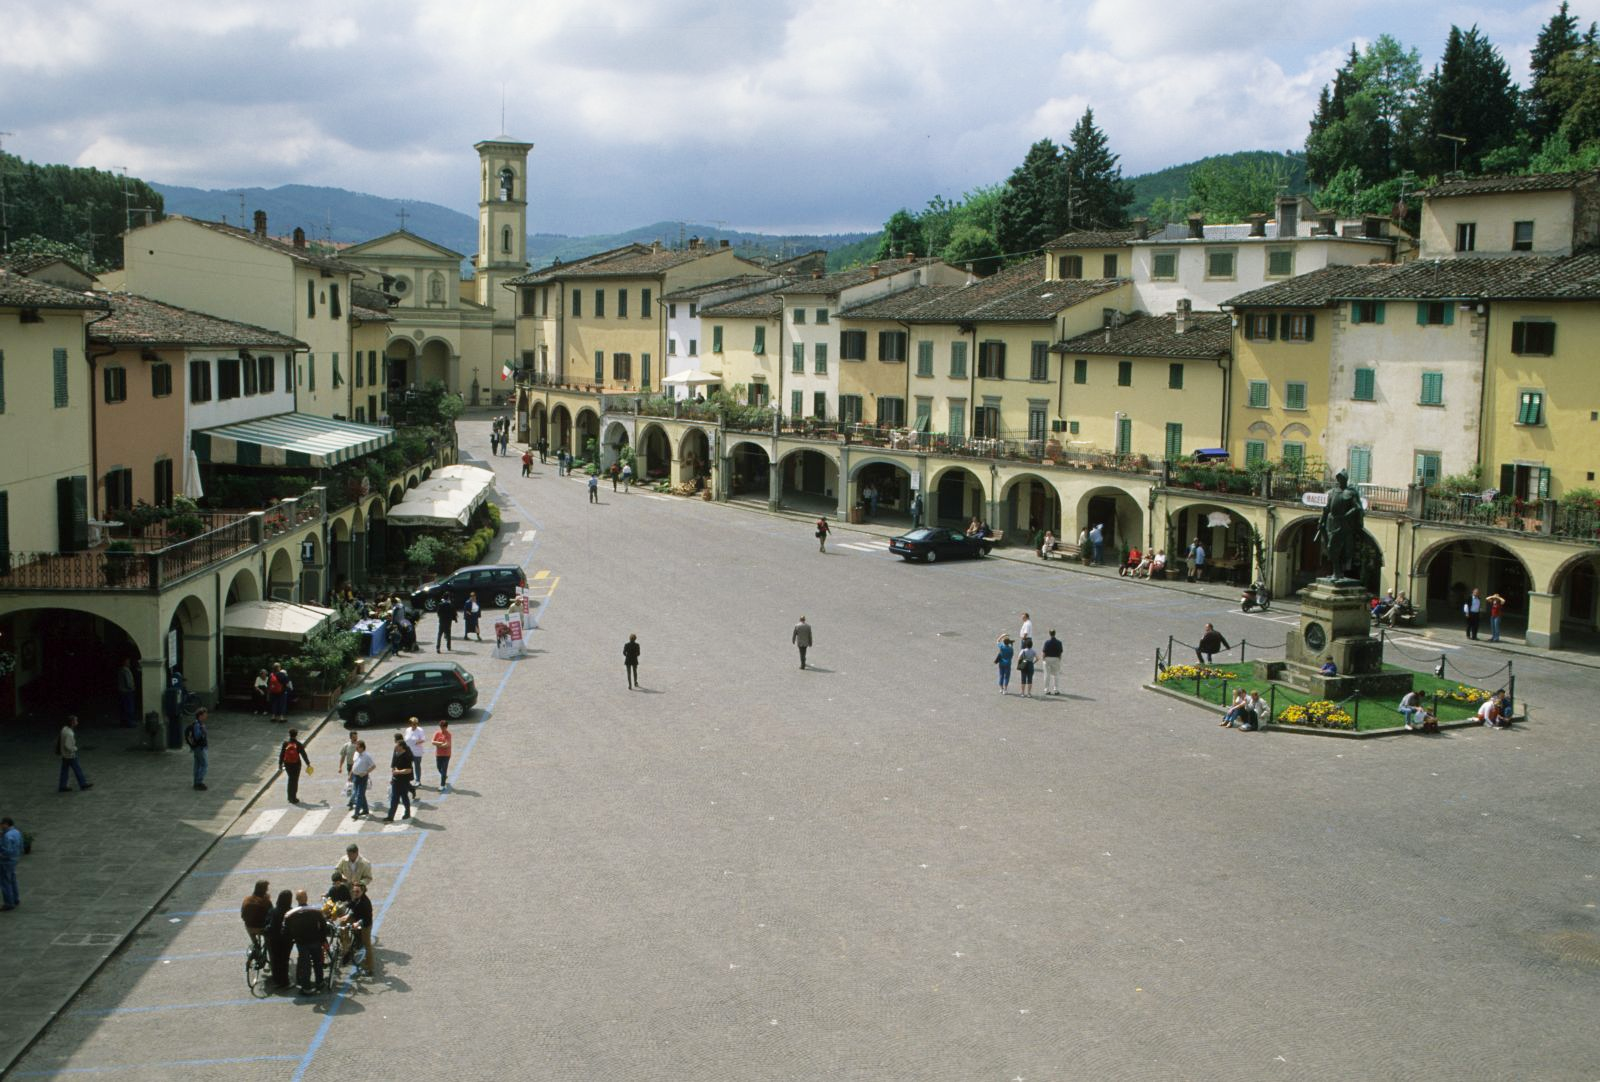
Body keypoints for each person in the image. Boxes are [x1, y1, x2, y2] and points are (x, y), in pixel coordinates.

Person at [1317, 470, 1365, 580]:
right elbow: (1327, 508)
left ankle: (1337, 572)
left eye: (1341, 478)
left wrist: (1347, 515)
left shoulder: (1351, 492)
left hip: (1343, 523)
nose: (1339, 480)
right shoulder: (1333, 492)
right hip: (1331, 522)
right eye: (1338, 478)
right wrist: (1321, 521)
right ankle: (1336, 572)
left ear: (1345, 479)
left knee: (1334, 547)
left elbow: (1357, 507)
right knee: (1329, 548)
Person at [284, 890, 329, 993]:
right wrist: (322, 939)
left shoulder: (291, 914)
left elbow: (286, 929)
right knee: (318, 962)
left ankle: (306, 987)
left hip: (301, 943)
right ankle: (320, 982)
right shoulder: (315, 911)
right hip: (315, 941)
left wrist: (293, 938)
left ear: (296, 900)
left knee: (305, 965)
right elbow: (323, 926)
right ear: (307, 898)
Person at [266, 888, 295, 991]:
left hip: (273, 939)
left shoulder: (274, 910)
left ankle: (277, 980)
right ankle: (285, 982)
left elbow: (267, 922)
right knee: (284, 960)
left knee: (275, 960)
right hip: (285, 940)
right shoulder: (290, 911)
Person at [345, 881, 376, 976]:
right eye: (354, 891)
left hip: (365, 924)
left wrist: (356, 923)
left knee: (367, 945)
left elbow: (366, 919)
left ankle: (369, 968)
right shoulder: (357, 898)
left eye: (357, 891)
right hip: (357, 918)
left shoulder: (365, 903)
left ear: (362, 891)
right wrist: (344, 911)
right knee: (343, 923)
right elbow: (351, 905)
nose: (355, 893)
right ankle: (345, 945)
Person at [57, 715, 91, 792]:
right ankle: (83, 784)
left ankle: (62, 785)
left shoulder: (64, 729)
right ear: (72, 723)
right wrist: (75, 748)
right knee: (77, 769)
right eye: (76, 721)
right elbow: (68, 746)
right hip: (70, 755)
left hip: (65, 754)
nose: (77, 722)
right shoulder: (69, 733)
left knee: (64, 770)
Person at [383, 733, 413, 822]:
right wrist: (393, 775)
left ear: (402, 747)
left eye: (397, 745)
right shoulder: (397, 753)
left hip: (404, 780)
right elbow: (394, 765)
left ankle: (407, 813)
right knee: (394, 798)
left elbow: (409, 770)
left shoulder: (406, 756)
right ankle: (390, 816)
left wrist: (398, 772)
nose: (395, 746)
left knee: (404, 797)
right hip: (396, 780)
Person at [278, 729, 310, 804]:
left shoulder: (285, 743)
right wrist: (308, 764)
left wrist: (280, 764)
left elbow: (282, 754)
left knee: (290, 779)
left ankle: (289, 797)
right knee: (295, 781)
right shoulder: (298, 744)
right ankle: (294, 798)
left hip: (287, 764)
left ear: (289, 734)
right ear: (296, 735)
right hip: (296, 764)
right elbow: (303, 754)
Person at [1, 817, 23, 911]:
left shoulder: (7, 836)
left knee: (5, 882)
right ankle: (15, 899)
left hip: (6, 861)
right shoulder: (16, 832)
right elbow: (21, 845)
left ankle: (9, 903)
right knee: (13, 879)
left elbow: (7, 851)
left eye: (1, 824)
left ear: (6, 824)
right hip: (14, 859)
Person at [185, 707, 209, 790]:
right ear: (200, 716)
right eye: (205, 715)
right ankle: (199, 781)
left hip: (198, 747)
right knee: (204, 765)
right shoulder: (198, 725)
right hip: (200, 748)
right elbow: (197, 736)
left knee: (197, 765)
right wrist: (203, 731)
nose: (206, 717)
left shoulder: (199, 724)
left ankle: (196, 782)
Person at [349, 740, 375, 819]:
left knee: (359, 795)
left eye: (358, 747)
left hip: (362, 778)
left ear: (362, 748)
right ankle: (366, 809)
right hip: (355, 777)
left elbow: (373, 766)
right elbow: (354, 764)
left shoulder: (367, 756)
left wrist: (366, 772)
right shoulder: (356, 754)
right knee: (361, 794)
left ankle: (356, 813)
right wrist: (350, 774)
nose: (356, 749)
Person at [404, 717, 428, 793]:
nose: (414, 725)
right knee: (408, 766)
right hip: (408, 752)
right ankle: (408, 780)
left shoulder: (420, 730)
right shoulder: (407, 730)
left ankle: (418, 781)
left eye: (415, 724)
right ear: (410, 723)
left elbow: (423, 739)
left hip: (417, 751)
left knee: (417, 766)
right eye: (413, 724)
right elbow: (405, 739)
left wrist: (415, 743)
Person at [338, 731, 360, 807]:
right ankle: (354, 799)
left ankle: (352, 800)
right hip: (350, 766)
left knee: (356, 783)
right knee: (352, 783)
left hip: (358, 766)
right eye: (354, 737)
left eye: (356, 737)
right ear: (350, 737)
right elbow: (343, 757)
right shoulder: (346, 745)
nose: (355, 738)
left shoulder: (359, 745)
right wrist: (340, 767)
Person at [117, 658, 138, 728]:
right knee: (129, 708)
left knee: (123, 708)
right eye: (128, 662)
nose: (129, 663)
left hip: (122, 691)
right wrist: (132, 687)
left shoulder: (121, 670)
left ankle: (123, 722)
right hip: (127, 692)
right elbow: (129, 682)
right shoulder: (126, 671)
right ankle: (129, 722)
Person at [1042, 630, 1064, 695]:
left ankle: (1046, 690)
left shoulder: (1047, 642)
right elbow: (1060, 652)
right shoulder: (1059, 642)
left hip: (1047, 659)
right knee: (1056, 674)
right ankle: (1056, 690)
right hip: (1056, 659)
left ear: (1049, 634)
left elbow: (1044, 652)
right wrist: (1059, 659)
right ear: (1055, 633)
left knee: (1047, 675)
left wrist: (1043, 659)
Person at [432, 720, 452, 789]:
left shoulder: (448, 734)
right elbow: (432, 742)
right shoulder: (437, 733)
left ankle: (442, 785)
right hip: (438, 754)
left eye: (443, 727)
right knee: (438, 768)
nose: (441, 729)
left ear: (446, 727)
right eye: (441, 727)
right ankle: (444, 776)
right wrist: (440, 743)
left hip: (446, 755)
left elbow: (447, 745)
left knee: (444, 769)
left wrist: (438, 744)